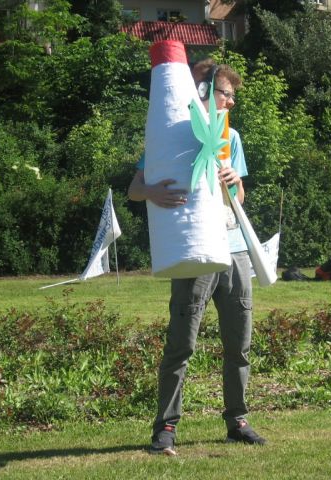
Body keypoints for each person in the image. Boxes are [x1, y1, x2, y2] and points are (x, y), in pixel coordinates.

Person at [128, 59, 265, 456]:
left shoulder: (231, 138)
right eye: (226, 94)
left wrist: (235, 183)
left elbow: (239, 198)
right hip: (196, 250)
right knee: (181, 344)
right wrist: (152, 192)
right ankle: (166, 428)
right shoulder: (172, 135)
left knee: (239, 343)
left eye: (233, 96)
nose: (231, 102)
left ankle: (238, 421)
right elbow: (135, 188)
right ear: (203, 91)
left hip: (234, 249)